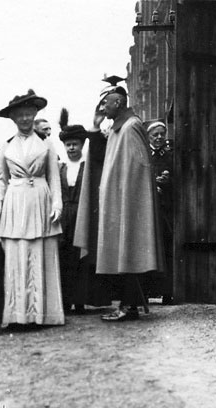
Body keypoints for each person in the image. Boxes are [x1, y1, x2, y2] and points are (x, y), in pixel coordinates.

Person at [74, 85, 164, 322]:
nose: (102, 107)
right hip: (117, 203)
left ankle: (129, 306)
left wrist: (127, 202)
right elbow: (103, 158)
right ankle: (127, 305)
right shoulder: (118, 128)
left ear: (118, 102)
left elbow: (137, 169)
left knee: (129, 253)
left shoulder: (131, 126)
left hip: (128, 205)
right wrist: (95, 127)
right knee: (121, 254)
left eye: (106, 103)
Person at [0, 89, 65, 327]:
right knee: (16, 255)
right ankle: (16, 315)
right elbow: (1, 179)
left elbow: (54, 177)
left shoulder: (46, 144)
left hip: (40, 199)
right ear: (13, 118)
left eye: (28, 114)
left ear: (35, 114)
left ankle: (43, 314)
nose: (24, 118)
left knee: (41, 254)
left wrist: (57, 203)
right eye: (20, 115)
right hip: (15, 202)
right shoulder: (6, 146)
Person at [57, 109, 88, 314]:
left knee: (80, 257)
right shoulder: (60, 167)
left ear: (81, 145)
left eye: (75, 144)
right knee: (63, 256)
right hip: (64, 215)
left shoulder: (87, 166)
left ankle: (80, 301)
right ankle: (65, 301)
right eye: (68, 145)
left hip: (81, 214)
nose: (71, 148)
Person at [146, 120, 174, 304]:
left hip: (164, 208)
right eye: (155, 135)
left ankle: (166, 292)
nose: (158, 138)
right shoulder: (144, 154)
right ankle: (146, 292)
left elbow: (178, 178)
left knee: (165, 248)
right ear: (148, 137)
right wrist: (151, 185)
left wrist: (167, 182)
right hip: (147, 208)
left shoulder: (170, 155)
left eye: (161, 134)